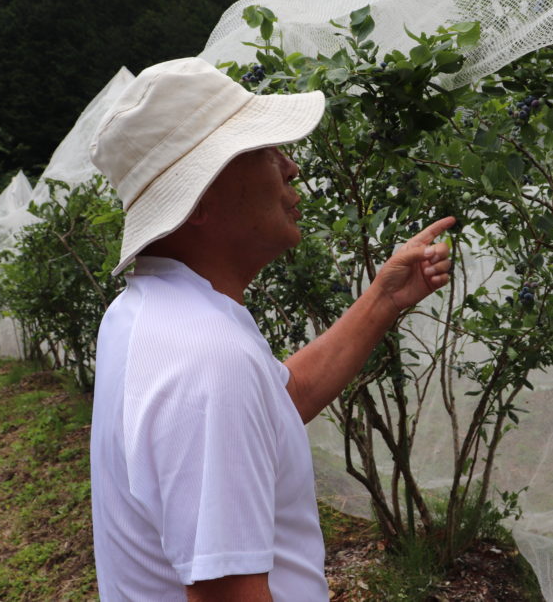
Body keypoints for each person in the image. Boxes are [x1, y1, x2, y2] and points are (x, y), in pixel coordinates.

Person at [88, 57, 454, 601]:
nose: (290, 167)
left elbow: (278, 401)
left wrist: (384, 299)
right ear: (199, 200)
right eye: (262, 150)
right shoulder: (209, 361)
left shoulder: (148, 313)